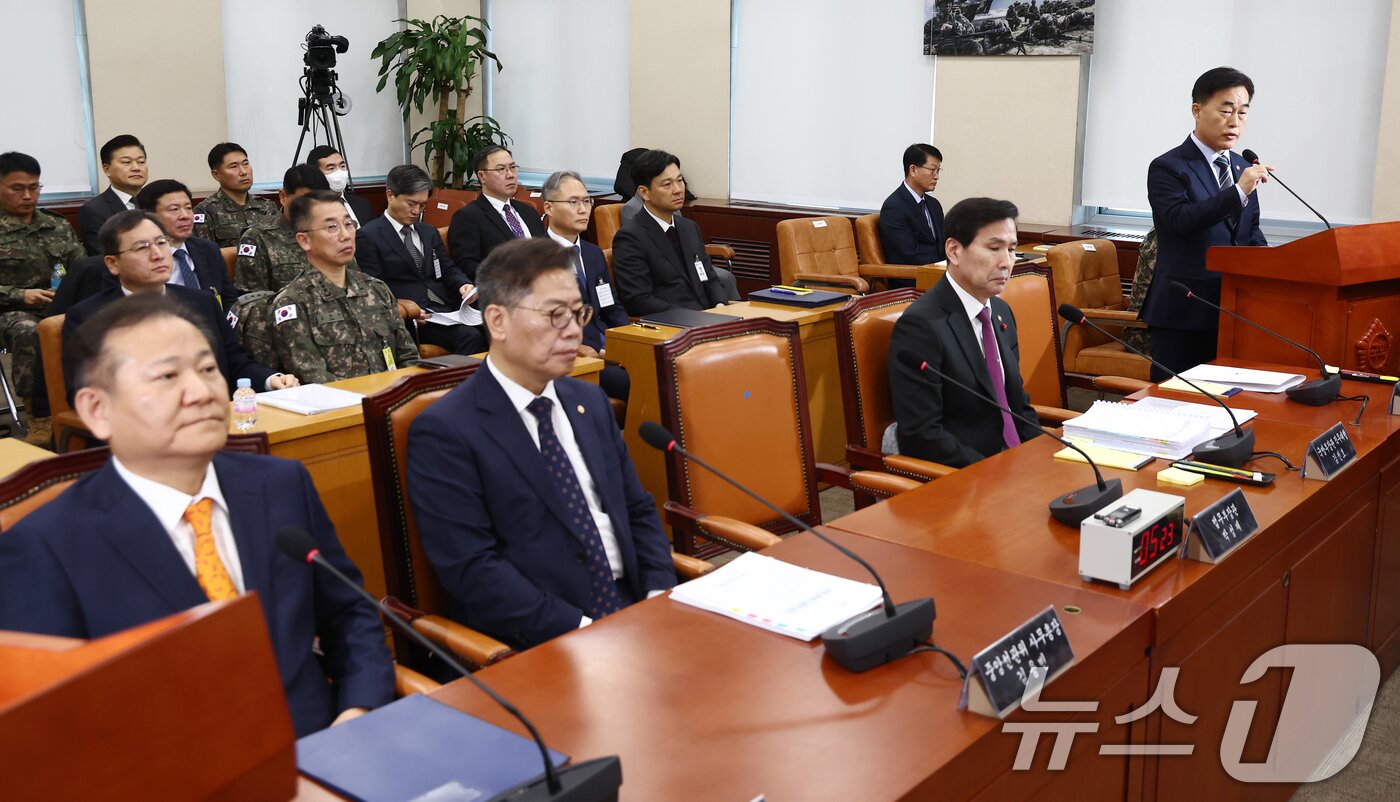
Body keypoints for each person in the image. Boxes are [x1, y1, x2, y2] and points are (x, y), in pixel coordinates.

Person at [0, 293, 392, 736]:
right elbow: (52, 732)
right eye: (167, 376)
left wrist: (357, 715)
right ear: (97, 410)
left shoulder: (280, 484)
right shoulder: (44, 546)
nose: (202, 391)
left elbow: (349, 617)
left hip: (326, 749)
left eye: (208, 369)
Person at [406, 238, 676, 650]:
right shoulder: (446, 431)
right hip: (542, 636)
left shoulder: (589, 402)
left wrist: (658, 593)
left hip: (636, 610)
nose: (573, 330)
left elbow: (636, 509)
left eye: (577, 313)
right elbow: (473, 569)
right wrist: (587, 631)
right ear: (497, 321)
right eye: (554, 315)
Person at [63, 210, 297, 397]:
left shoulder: (200, 302)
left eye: (161, 242)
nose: (157, 254)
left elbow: (235, 363)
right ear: (113, 263)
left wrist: (270, 379)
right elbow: (86, 392)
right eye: (142, 247)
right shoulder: (88, 317)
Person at [887, 197, 1042, 467]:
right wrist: (992, 473)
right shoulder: (921, 326)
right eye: (994, 248)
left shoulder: (1001, 311)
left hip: (1016, 466)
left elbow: (1017, 406)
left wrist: (1041, 458)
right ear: (954, 251)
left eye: (1012, 249)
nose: (1006, 262)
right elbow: (922, 435)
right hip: (969, 476)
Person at [1142, 66, 1269, 380]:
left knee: (1227, 408)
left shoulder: (1242, 164)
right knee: (1173, 407)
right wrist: (1239, 191)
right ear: (1197, 111)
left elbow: (1249, 232)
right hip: (1183, 312)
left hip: (1234, 312)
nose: (1235, 121)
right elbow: (1178, 221)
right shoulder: (1168, 167)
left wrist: (1274, 267)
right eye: (1226, 110)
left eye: (1242, 112)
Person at [269, 190, 419, 382]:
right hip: (341, 407)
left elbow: (409, 357)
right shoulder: (293, 303)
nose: (346, 235)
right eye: (331, 227)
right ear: (304, 240)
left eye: (348, 224)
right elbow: (313, 378)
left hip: (394, 400)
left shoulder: (376, 289)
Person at [0, 152, 84, 446]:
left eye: (34, 187)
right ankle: (39, 415)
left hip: (58, 305)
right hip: (10, 311)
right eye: (17, 188)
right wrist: (20, 294)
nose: (27, 195)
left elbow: (81, 268)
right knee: (31, 331)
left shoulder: (56, 225)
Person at [356, 165, 484, 356]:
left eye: (422, 205)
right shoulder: (368, 236)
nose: (416, 211)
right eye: (411, 203)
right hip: (414, 315)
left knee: (496, 326)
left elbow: (446, 267)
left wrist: (463, 284)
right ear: (390, 195)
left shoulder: (428, 232)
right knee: (469, 336)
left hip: (447, 309)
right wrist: (404, 309)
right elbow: (374, 287)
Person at [542, 170, 630, 402]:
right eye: (573, 202)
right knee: (636, 382)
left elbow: (611, 307)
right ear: (548, 208)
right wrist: (581, 348)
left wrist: (626, 342)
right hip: (575, 354)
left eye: (586, 201)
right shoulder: (534, 258)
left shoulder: (592, 253)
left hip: (607, 346)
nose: (583, 209)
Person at [612, 149, 731, 315]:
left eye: (680, 180)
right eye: (667, 184)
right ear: (644, 192)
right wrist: (692, 317)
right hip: (673, 325)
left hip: (708, 319)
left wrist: (720, 305)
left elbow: (710, 279)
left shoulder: (689, 228)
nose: (678, 190)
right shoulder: (631, 237)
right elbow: (638, 299)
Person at [446, 145, 546, 281]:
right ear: (482, 176)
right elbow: (467, 266)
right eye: (501, 169)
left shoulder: (528, 211)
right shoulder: (468, 216)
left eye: (512, 167)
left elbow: (547, 250)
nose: (510, 175)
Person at [136, 179, 242, 302]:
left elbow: (229, 300)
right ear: (149, 216)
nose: (185, 216)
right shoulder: (140, 259)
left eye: (188, 208)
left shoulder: (208, 249)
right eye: (174, 209)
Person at [235, 165, 332, 294]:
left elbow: (354, 282)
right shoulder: (257, 238)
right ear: (283, 197)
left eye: (319, 202)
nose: (312, 209)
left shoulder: (333, 232)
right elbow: (252, 302)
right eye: (304, 201)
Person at [192, 143, 280, 248]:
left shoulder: (267, 206)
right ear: (216, 175)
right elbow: (205, 256)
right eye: (233, 167)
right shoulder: (204, 212)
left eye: (246, 164)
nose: (243, 172)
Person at [878, 143, 947, 268]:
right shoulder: (894, 207)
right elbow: (909, 254)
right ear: (913, 170)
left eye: (938, 170)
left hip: (935, 271)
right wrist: (940, 267)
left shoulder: (934, 204)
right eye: (932, 170)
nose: (936, 176)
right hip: (912, 276)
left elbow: (941, 245)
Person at [77, 135, 147, 255]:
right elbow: (104, 258)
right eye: (126, 162)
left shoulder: (152, 201)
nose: (136, 168)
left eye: (141, 162)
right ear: (107, 170)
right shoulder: (94, 211)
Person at [307, 145, 373, 226]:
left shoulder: (362, 204)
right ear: (316, 174)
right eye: (331, 168)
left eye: (342, 166)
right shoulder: (311, 210)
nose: (339, 172)